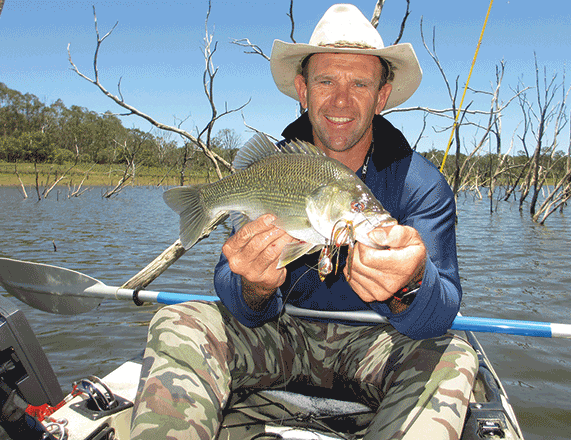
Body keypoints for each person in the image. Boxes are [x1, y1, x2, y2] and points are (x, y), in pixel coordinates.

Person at [131, 4, 477, 439]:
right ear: (303, 89)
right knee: (177, 321)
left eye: (360, 83)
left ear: (382, 96)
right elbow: (235, 296)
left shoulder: (422, 186)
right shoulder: (274, 168)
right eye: (326, 80)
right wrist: (255, 287)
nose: (340, 100)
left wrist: (410, 284)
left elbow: (439, 314)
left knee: (455, 356)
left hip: (373, 346)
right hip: (283, 334)